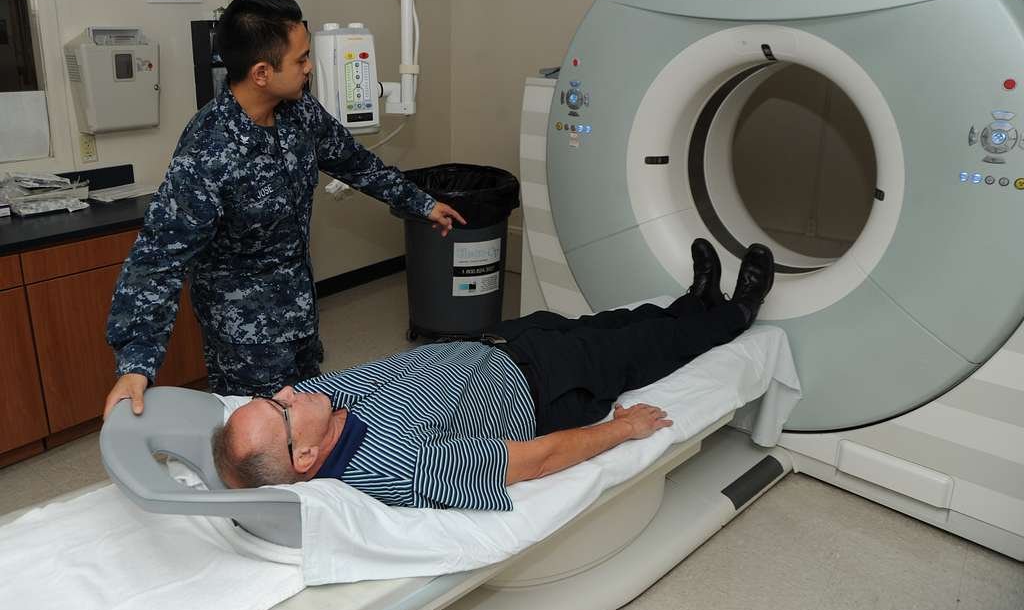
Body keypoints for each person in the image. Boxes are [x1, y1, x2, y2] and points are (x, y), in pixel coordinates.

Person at [104, 0, 465, 419]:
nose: (310, 67)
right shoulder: (209, 152)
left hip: (300, 311)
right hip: (245, 338)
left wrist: (419, 203)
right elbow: (158, 260)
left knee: (310, 423)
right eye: (301, 59)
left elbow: (354, 161)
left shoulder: (299, 112)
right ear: (261, 72)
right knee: (261, 438)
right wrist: (136, 364)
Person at [212, 240, 774, 511]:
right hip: (547, 387)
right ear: (305, 458)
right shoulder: (401, 469)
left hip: (500, 342)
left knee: (612, 322)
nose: (289, 391)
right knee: (646, 347)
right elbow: (537, 460)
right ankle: (736, 313)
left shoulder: (316, 408)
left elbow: (263, 437)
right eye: (281, 408)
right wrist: (623, 430)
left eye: (273, 395)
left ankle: (694, 300)